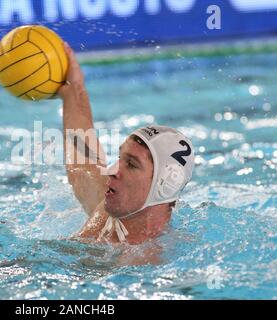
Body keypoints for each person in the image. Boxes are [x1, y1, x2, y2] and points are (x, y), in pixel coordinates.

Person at [57, 42, 195, 245]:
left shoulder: (147, 260)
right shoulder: (115, 210)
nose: (112, 170)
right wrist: (72, 89)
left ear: (164, 185)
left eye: (131, 164)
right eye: (120, 158)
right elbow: (83, 163)